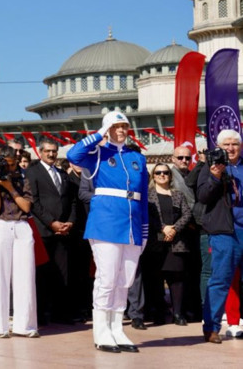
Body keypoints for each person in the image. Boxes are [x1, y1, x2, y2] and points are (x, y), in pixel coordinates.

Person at [67, 111, 148, 353]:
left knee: (125, 280)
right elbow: (73, 154)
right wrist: (100, 135)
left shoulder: (137, 158)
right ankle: (102, 332)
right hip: (106, 224)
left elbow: (142, 196)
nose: (121, 130)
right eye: (116, 126)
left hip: (132, 225)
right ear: (108, 129)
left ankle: (117, 329)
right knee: (107, 278)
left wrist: (143, 230)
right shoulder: (97, 154)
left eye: (124, 126)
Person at [0, 146, 39, 339]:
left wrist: (10, 187)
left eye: (13, 164)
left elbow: (26, 205)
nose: (10, 168)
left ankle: (26, 325)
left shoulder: (23, 179)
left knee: (25, 276)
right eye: (6, 165)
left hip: (22, 225)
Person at [26, 138, 78, 325]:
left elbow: (71, 200)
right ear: (40, 152)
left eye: (54, 151)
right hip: (43, 231)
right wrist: (51, 223)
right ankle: (40, 314)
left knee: (63, 274)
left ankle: (61, 313)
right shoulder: (32, 172)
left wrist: (70, 222)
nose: (51, 154)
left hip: (63, 232)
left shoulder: (63, 174)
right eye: (48, 151)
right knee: (42, 274)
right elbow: (34, 202)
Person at [198, 129, 243, 344]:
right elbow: (203, 196)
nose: (231, 148)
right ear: (219, 147)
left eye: (235, 144)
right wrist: (215, 176)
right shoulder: (210, 167)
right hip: (225, 232)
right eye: (226, 145)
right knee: (220, 279)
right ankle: (212, 327)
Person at [142, 163, 192, 326]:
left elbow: (186, 214)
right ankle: (159, 313)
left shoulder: (178, 195)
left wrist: (174, 229)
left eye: (165, 173)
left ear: (170, 176)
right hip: (155, 243)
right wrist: (163, 228)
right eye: (158, 173)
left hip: (176, 242)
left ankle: (178, 313)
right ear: (153, 176)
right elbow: (148, 216)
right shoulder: (148, 196)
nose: (162, 175)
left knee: (177, 279)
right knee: (155, 279)